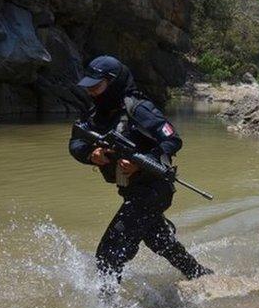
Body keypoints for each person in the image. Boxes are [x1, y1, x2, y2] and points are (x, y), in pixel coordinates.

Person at [68, 56, 213, 288]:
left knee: (108, 254)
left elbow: (172, 140)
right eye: (90, 86)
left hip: (154, 189)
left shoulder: (139, 108)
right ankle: (201, 275)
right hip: (132, 192)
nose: (92, 91)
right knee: (161, 242)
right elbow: (75, 143)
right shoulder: (96, 114)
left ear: (112, 83)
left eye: (97, 86)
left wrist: (143, 161)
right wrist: (91, 155)